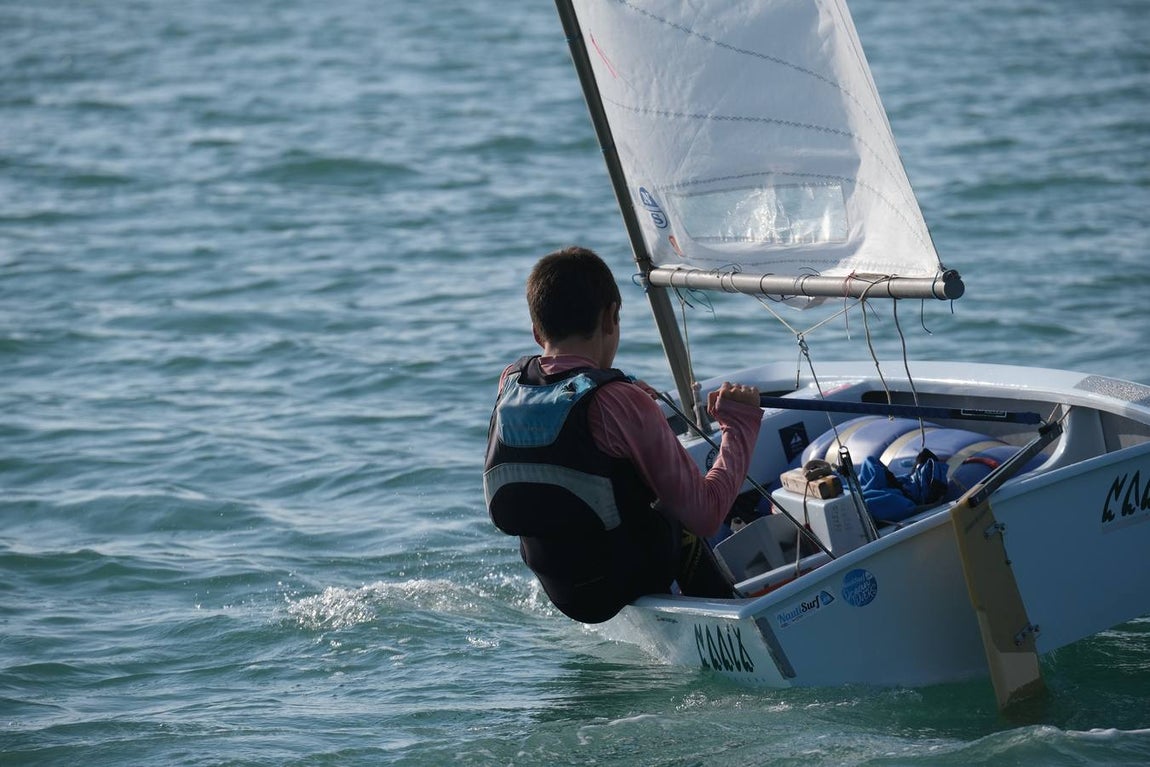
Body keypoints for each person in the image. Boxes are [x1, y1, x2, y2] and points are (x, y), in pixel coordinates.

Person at [483, 246, 762, 623]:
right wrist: (740, 426)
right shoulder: (622, 402)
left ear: (536, 332)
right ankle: (729, 619)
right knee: (679, 518)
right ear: (612, 317)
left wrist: (627, 389)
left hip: (560, 587)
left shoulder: (511, 381)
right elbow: (707, 514)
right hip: (618, 582)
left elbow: (568, 389)